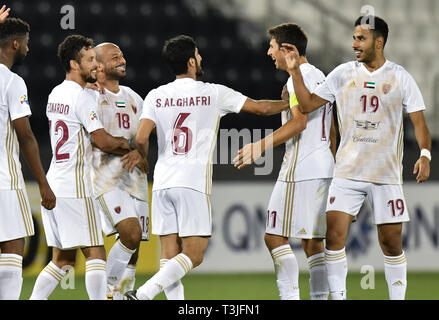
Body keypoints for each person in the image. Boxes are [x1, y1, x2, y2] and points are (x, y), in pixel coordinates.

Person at [124, 34, 288, 300]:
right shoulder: (212, 92)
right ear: (191, 61)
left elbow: (141, 138)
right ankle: (142, 295)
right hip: (192, 181)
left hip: (163, 181)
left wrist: (142, 157)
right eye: (198, 56)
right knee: (195, 254)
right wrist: (292, 104)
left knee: (169, 255)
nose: (201, 59)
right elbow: (260, 108)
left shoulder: (156, 95)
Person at [283, 16, 431, 300]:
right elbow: (308, 104)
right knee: (334, 238)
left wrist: (424, 154)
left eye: (360, 39)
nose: (353, 44)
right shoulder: (342, 73)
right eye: (353, 38)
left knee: (391, 243)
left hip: (385, 175)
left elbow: (419, 123)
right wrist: (295, 73)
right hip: (347, 172)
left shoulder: (400, 77)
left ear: (379, 42)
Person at [233, 23, 336, 300]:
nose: (269, 52)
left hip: (300, 167)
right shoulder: (320, 76)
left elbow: (299, 122)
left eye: (273, 46)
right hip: (323, 164)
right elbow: (332, 128)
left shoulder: (296, 78)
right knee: (313, 243)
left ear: (288, 49)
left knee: (273, 236)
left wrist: (260, 146)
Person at [30, 35, 134, 300]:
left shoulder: (57, 93)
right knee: (96, 253)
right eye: (90, 60)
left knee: (62, 259)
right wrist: (126, 145)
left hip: (55, 181)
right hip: (76, 186)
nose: (96, 66)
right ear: (75, 64)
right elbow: (101, 140)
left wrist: (91, 90)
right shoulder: (81, 97)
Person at [0, 15, 56, 300]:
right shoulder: (13, 83)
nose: (28, 48)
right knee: (11, 246)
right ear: (14, 43)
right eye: (25, 43)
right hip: (4, 181)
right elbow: (26, 136)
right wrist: (43, 183)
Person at [92, 42, 150, 300]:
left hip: (135, 179)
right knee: (130, 233)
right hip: (107, 179)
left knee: (134, 246)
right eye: (114, 57)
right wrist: (129, 150)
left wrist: (140, 152)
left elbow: (144, 138)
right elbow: (96, 139)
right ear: (99, 65)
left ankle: (126, 293)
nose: (122, 59)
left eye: (122, 55)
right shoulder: (91, 95)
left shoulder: (133, 97)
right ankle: (109, 291)